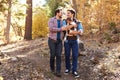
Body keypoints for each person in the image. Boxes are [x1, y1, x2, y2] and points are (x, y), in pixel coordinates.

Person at [48, 9, 75, 77]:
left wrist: (72, 25)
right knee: (52, 55)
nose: (62, 14)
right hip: (52, 40)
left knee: (59, 56)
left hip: (59, 41)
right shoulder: (51, 20)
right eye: (61, 13)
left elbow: (65, 28)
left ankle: (58, 71)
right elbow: (51, 29)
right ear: (57, 13)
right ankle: (52, 69)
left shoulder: (62, 21)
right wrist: (61, 29)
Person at [62, 9, 83, 78]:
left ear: (72, 14)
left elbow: (81, 31)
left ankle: (74, 70)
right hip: (67, 41)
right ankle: (68, 68)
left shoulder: (78, 21)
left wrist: (74, 32)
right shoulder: (64, 21)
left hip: (75, 41)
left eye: (68, 13)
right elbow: (64, 28)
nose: (67, 14)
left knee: (75, 55)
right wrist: (73, 25)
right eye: (67, 13)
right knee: (67, 55)